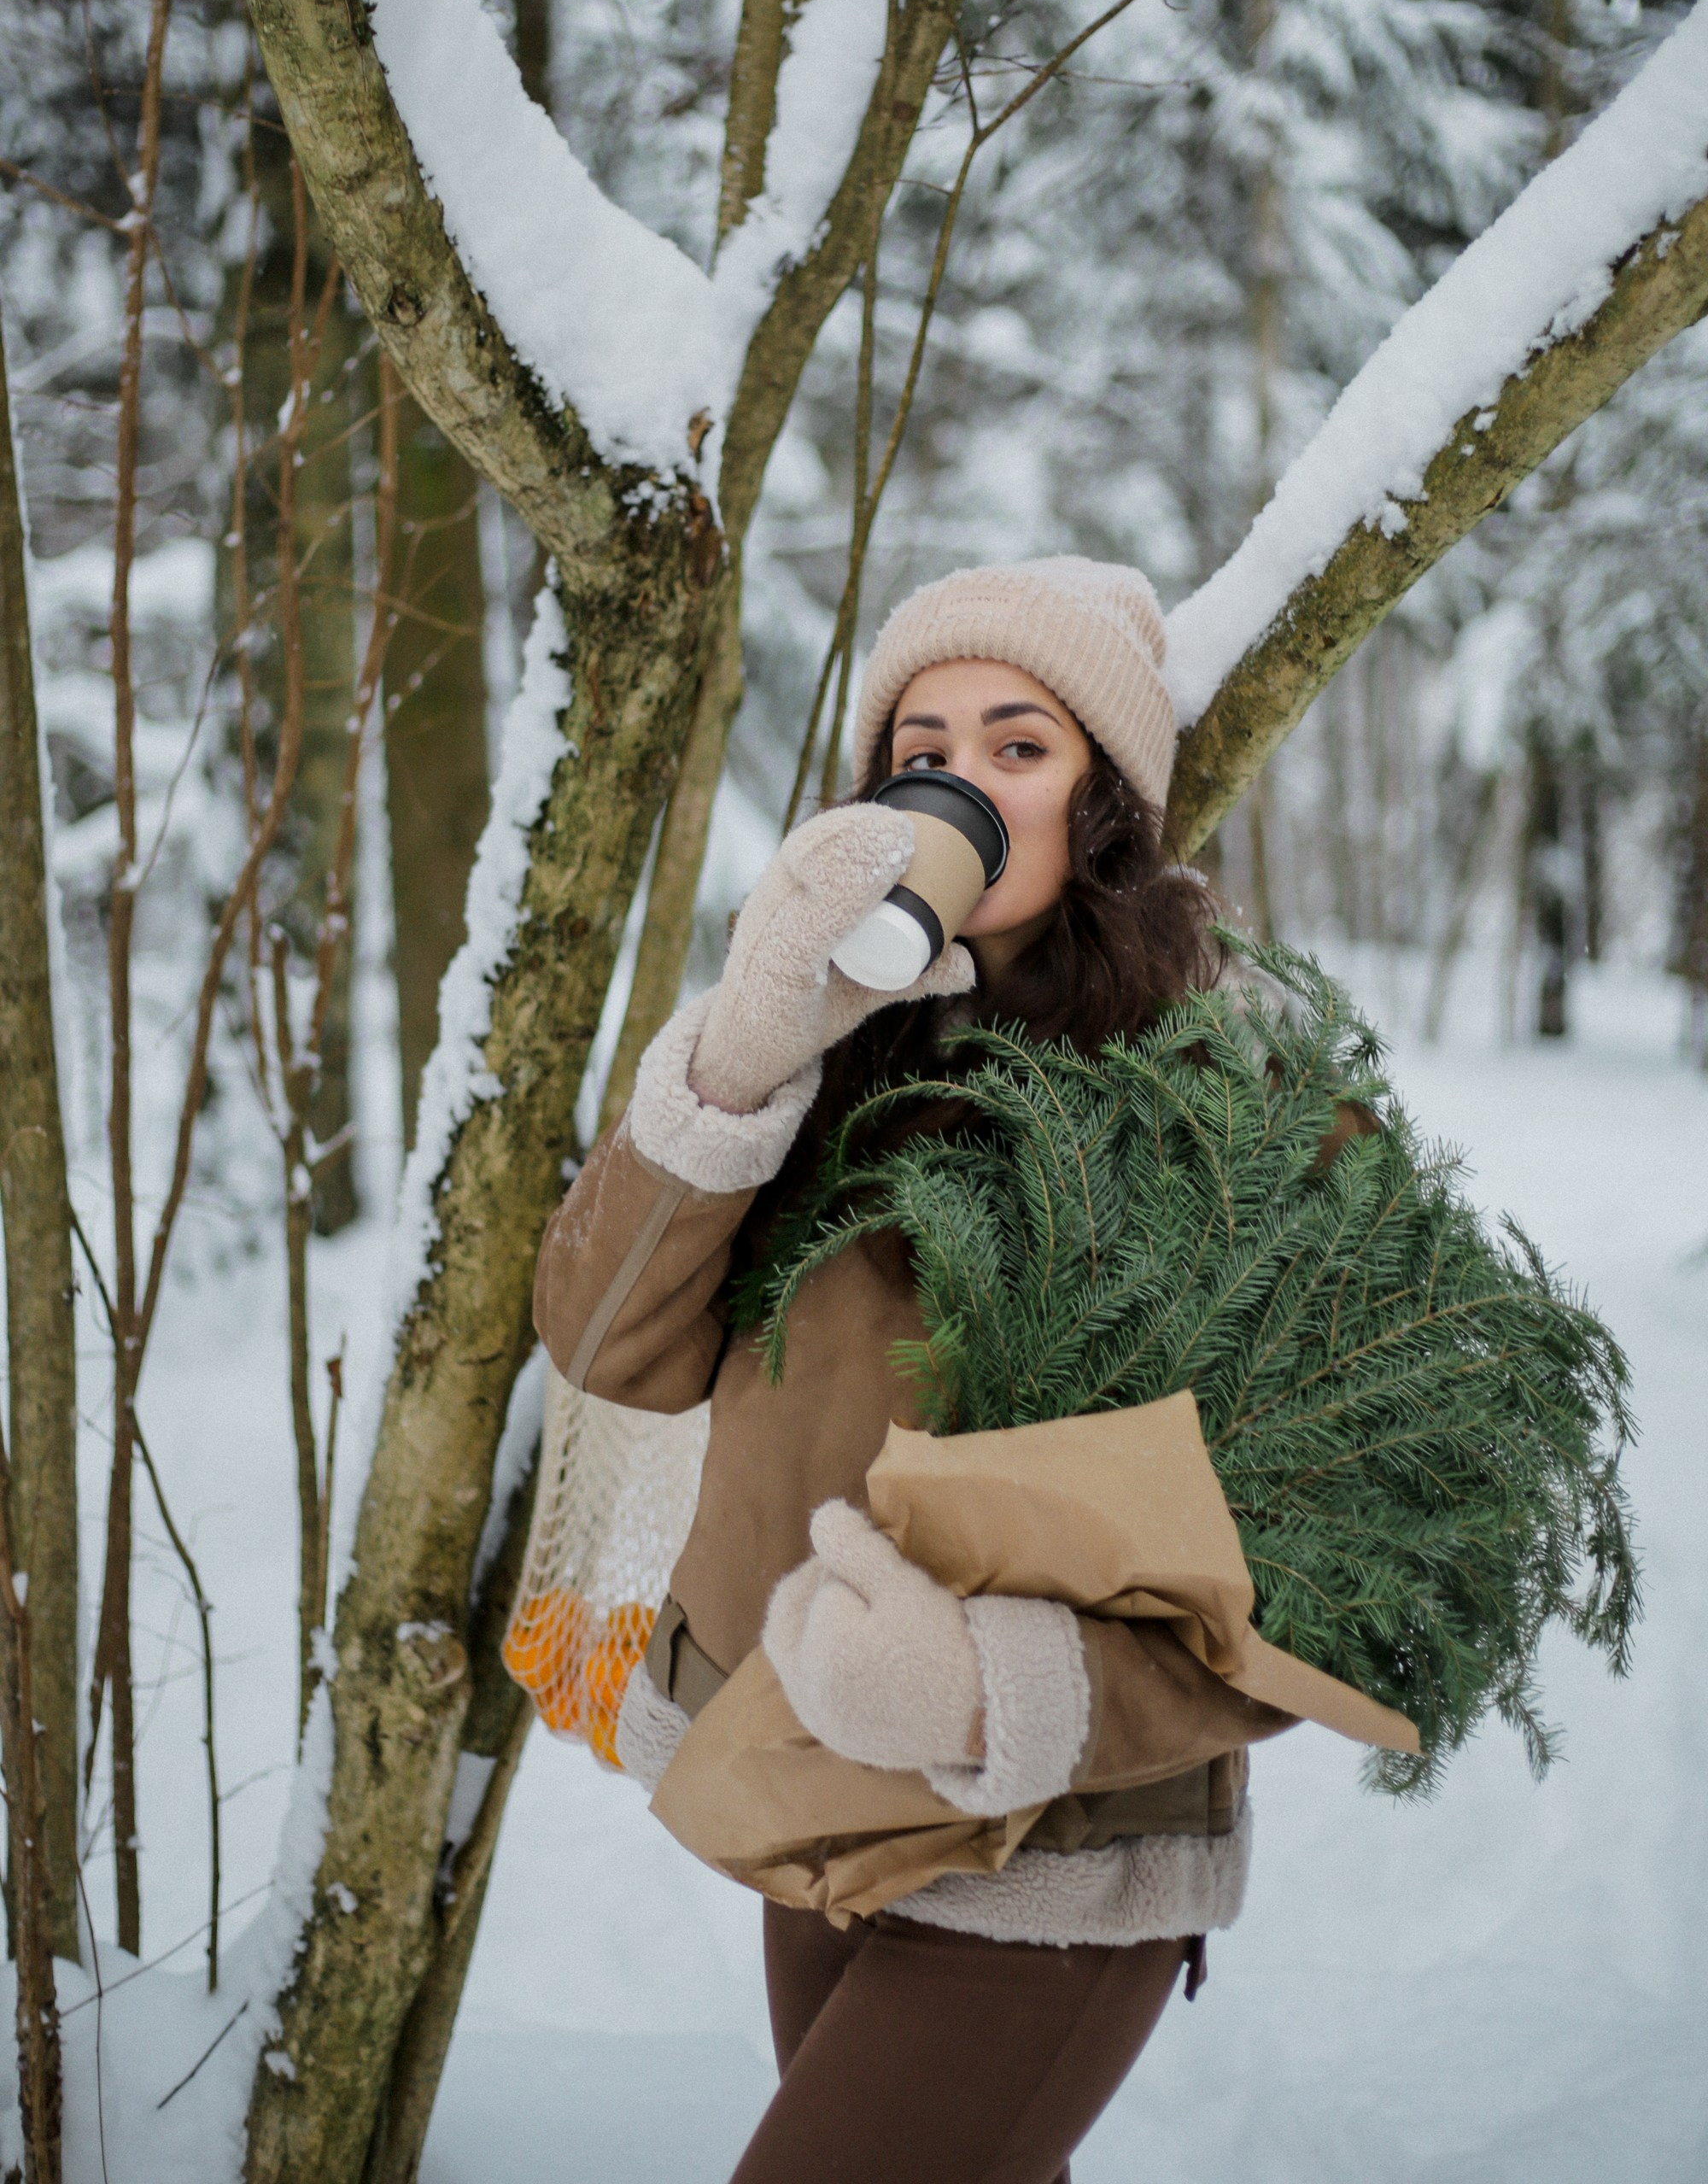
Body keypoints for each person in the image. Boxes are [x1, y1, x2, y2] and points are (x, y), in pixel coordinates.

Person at [533, 559, 1301, 2184]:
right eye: (922, 752)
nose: (962, 783)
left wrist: (996, 1691)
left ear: (1108, 803)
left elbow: (1350, 1558)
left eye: (1020, 747)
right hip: (806, 1777)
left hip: (1049, 1846)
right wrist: (743, 1051)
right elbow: (605, 1346)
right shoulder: (821, 1050)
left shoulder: (1225, 1087)